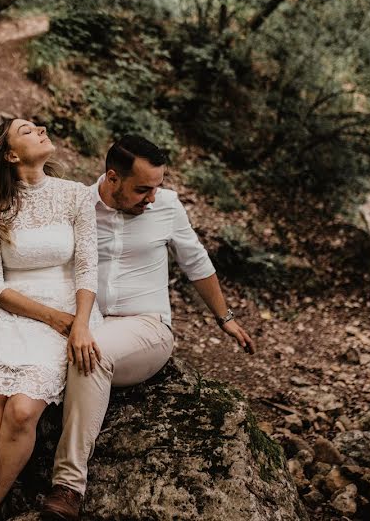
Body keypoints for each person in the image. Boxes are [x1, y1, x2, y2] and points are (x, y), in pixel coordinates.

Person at [40, 134, 256, 521]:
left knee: (92, 354)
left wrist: (226, 318)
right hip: (85, 320)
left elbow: (196, 263)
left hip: (147, 327)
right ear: (112, 178)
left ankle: (68, 486)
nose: (152, 197)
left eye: (157, 186)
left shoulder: (168, 206)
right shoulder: (78, 205)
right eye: (142, 189)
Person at [0, 117, 104, 521]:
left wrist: (78, 322)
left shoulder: (76, 195)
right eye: (28, 130)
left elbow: (87, 267)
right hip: (10, 313)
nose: (41, 130)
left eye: (39, 127)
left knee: (23, 411)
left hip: (68, 308)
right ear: (11, 155)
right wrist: (53, 318)